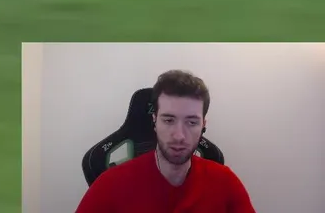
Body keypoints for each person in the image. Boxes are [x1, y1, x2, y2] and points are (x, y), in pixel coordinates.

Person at [74, 70, 255, 213]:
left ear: (203, 126)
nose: (179, 135)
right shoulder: (110, 185)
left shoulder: (225, 183)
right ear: (155, 121)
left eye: (192, 122)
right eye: (169, 120)